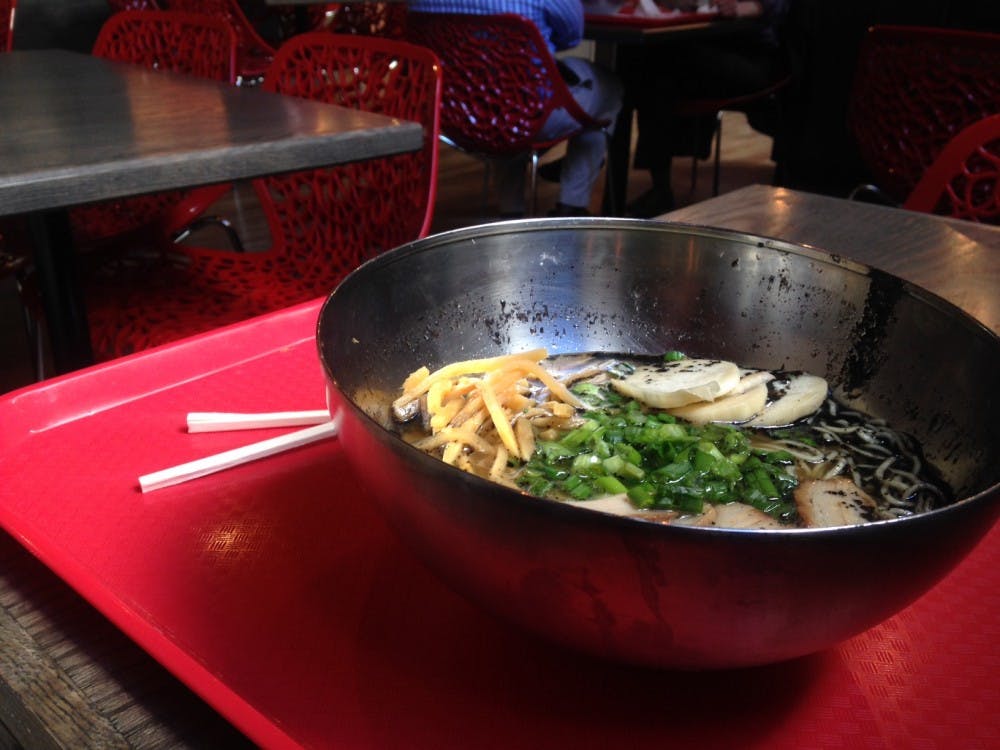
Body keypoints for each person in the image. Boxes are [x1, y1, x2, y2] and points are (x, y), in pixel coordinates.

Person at [408, 0, 624, 216]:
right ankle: (572, 205)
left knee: (499, 97)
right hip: (529, 112)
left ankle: (510, 210)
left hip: (459, 115)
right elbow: (571, 36)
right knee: (610, 89)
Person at [618, 0, 790, 217]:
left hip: (758, 58)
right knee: (646, 62)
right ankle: (650, 184)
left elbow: (781, 6)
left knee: (658, 68)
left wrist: (749, 7)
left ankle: (656, 187)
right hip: (709, 44)